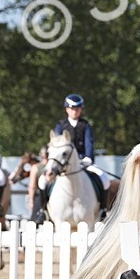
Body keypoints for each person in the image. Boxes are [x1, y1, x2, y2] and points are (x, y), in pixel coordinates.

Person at [29, 94, 110, 222]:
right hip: (63, 163)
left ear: (81, 110)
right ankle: (42, 211)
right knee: (42, 181)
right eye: (72, 109)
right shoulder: (61, 125)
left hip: (83, 161)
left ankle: (103, 211)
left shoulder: (85, 125)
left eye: (78, 109)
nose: (75, 111)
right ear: (67, 109)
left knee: (104, 179)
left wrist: (88, 158)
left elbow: (89, 142)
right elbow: (55, 142)